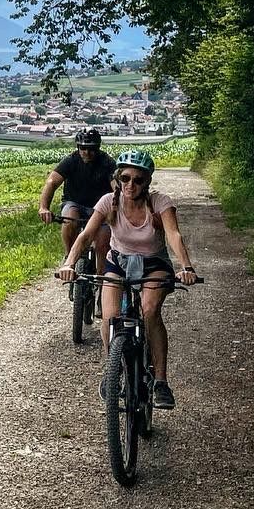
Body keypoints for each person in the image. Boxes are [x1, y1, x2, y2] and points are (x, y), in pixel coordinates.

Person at [54, 149, 199, 409]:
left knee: (150, 310)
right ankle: (114, 371)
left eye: (138, 179)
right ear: (118, 178)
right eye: (125, 178)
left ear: (148, 182)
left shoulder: (160, 203)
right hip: (118, 262)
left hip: (153, 264)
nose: (131, 184)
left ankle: (161, 382)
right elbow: (86, 235)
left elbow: (174, 236)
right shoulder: (108, 203)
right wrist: (69, 263)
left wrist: (186, 267)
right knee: (109, 317)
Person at [38, 128, 114, 284]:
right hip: (75, 203)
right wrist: (44, 207)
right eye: (83, 148)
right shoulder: (71, 160)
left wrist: (119, 210)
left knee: (102, 241)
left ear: (98, 148)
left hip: (100, 209)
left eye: (91, 148)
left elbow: (116, 188)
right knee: (69, 219)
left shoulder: (107, 163)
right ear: (78, 147)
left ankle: (102, 280)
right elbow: (52, 182)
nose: (87, 152)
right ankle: (69, 258)